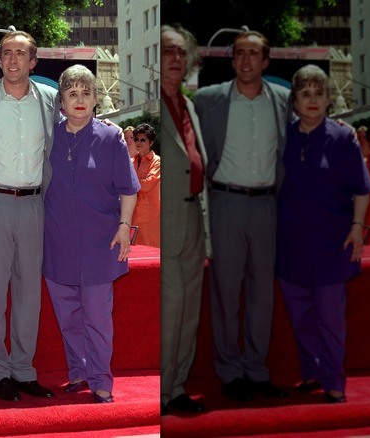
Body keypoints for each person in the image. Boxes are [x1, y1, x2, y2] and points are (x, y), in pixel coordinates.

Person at [0, 30, 61, 402]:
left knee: (28, 295)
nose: (13, 60)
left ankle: (23, 369)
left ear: (33, 61)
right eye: (7, 53)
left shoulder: (52, 101)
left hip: (35, 205)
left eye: (21, 54)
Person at [193, 30, 291, 402]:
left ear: (266, 61)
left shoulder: (284, 101)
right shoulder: (207, 100)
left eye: (254, 54)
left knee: (262, 295)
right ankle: (230, 373)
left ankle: (257, 370)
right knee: (225, 292)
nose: (246, 60)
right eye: (239, 54)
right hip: (226, 204)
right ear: (232, 59)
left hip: (268, 205)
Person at [43, 64, 139, 404]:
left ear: (96, 98)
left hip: (101, 243)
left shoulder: (111, 136)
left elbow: (129, 189)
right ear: (62, 102)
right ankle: (78, 372)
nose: (80, 100)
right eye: (72, 94)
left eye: (86, 93)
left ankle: (101, 380)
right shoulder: (48, 136)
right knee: (68, 317)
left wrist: (125, 228)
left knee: (97, 317)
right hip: (56, 243)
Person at [276, 64, 370, 403]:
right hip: (290, 245)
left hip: (332, 245)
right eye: (305, 94)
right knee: (301, 318)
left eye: (319, 94)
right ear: (296, 102)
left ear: (329, 99)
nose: (313, 100)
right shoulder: (283, 136)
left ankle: (334, 381)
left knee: (331, 318)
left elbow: (362, 189)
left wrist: (358, 227)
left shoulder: (344, 137)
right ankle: (312, 372)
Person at [159, 24, 211, 415]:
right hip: (167, 223)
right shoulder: (157, 102)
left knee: (189, 310)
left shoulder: (188, 104)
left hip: (194, 218)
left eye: (181, 53)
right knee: (171, 311)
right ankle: (163, 392)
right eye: (167, 52)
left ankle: (176, 387)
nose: (175, 59)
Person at [131, 123, 161, 248]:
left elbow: (148, 184)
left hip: (151, 218)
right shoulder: (131, 161)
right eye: (137, 139)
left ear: (151, 142)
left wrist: (129, 183)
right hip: (133, 216)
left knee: (153, 253)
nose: (139, 142)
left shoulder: (157, 161)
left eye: (143, 140)